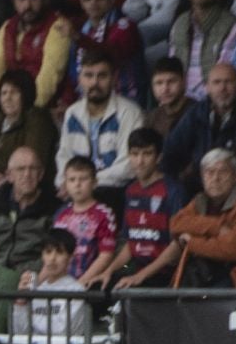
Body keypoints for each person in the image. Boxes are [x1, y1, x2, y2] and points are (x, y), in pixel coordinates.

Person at [169, 146, 236, 285]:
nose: (216, 178)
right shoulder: (200, 200)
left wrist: (193, 242)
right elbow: (176, 223)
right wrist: (217, 227)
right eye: (209, 172)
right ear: (202, 177)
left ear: (235, 176)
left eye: (223, 172)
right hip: (204, 276)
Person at [98, 127, 185, 287]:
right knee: (100, 287)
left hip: (165, 275)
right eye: (135, 154)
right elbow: (131, 244)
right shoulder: (131, 190)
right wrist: (108, 271)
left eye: (147, 154)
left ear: (159, 157)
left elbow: (177, 245)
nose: (140, 161)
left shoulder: (173, 190)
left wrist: (140, 277)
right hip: (136, 270)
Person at [60, 48, 146, 196]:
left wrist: (85, 182)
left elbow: (127, 166)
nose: (95, 82)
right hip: (76, 193)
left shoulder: (130, 112)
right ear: (80, 79)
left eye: (102, 76)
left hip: (114, 192)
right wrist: (65, 182)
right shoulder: (72, 113)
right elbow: (64, 156)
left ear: (114, 78)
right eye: (88, 75)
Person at [0, 0, 71, 109]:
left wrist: (25, 108)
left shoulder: (57, 27)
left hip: (43, 108)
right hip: (11, 105)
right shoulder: (8, 27)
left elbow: (49, 78)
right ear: (14, 3)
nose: (28, 5)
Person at [180, 62, 236, 192]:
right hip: (198, 184)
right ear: (207, 87)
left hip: (235, 186)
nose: (222, 88)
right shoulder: (196, 112)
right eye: (216, 82)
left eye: (228, 82)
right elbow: (173, 150)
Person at [0, 144, 56, 272]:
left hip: (32, 277)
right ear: (9, 175)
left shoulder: (53, 207)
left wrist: (31, 277)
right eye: (21, 169)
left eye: (33, 169)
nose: (27, 174)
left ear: (41, 174)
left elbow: (55, 254)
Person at [169, 0, 236, 97]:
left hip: (213, 98)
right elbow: (172, 67)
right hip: (180, 99)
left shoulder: (232, 25)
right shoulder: (179, 24)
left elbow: (225, 73)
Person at [51, 155, 121, 284]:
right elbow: (52, 253)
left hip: (89, 284)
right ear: (65, 183)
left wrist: (79, 285)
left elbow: (106, 255)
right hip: (60, 282)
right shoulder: (60, 214)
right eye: (72, 180)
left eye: (83, 179)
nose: (77, 184)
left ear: (95, 182)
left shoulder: (104, 214)